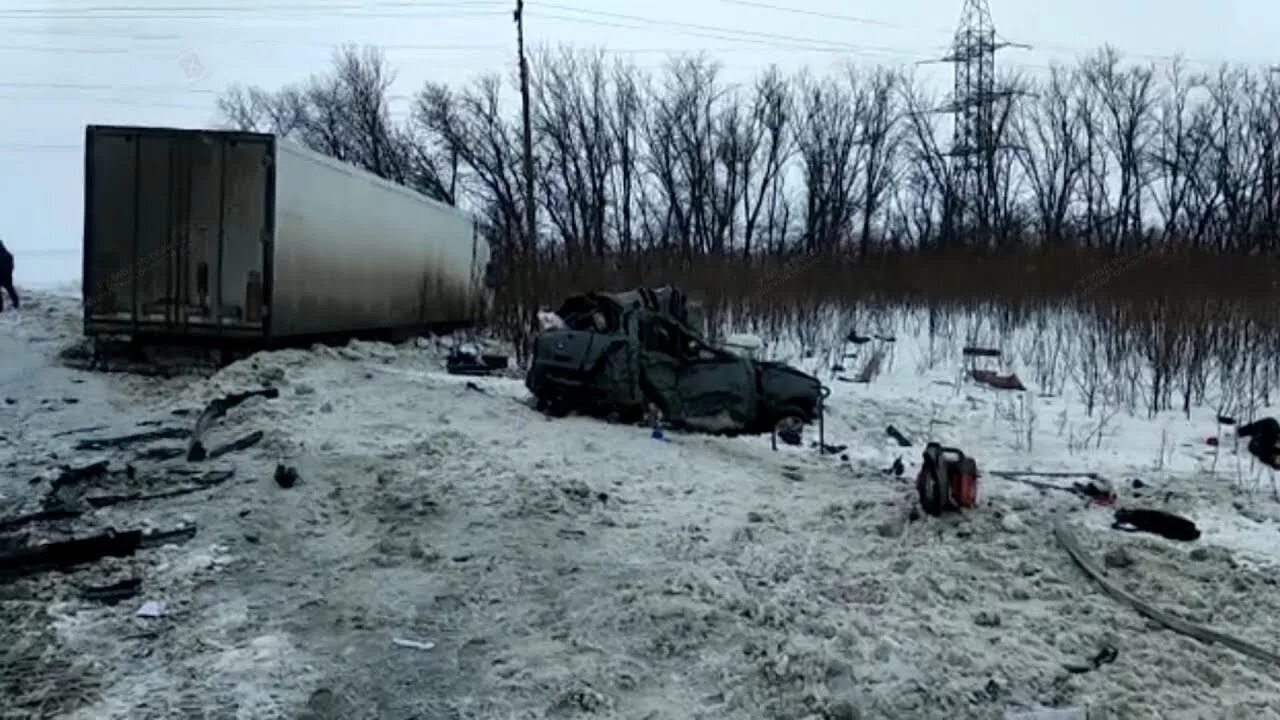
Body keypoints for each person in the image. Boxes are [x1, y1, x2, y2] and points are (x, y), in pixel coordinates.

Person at [0, 239, 18, 312]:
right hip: (8, 276)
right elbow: (12, 267)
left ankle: (0, 308)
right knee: (11, 290)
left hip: (1, 276)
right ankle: (16, 304)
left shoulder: (6, 255)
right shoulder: (8, 254)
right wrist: (9, 273)